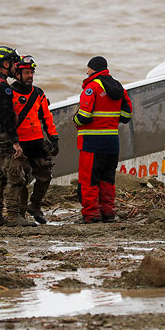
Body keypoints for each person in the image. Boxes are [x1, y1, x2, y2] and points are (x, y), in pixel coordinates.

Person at [0, 46, 36, 227]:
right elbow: (8, 117)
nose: (16, 67)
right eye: (14, 63)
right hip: (5, 138)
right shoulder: (4, 88)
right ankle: (13, 216)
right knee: (15, 177)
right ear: (5, 64)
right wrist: (15, 143)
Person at [73, 56, 132, 223]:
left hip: (92, 143)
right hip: (112, 142)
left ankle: (91, 214)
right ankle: (108, 212)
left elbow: (83, 115)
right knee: (107, 179)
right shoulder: (118, 87)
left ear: (95, 69)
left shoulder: (92, 87)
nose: (86, 71)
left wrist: (75, 120)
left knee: (89, 179)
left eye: (88, 68)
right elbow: (127, 114)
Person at [10, 55, 59, 224]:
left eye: (32, 72)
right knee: (21, 179)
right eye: (26, 73)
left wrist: (54, 138)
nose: (30, 76)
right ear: (17, 74)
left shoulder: (38, 93)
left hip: (37, 142)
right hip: (19, 144)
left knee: (45, 175)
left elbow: (47, 117)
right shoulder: (9, 94)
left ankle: (35, 206)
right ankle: (21, 213)